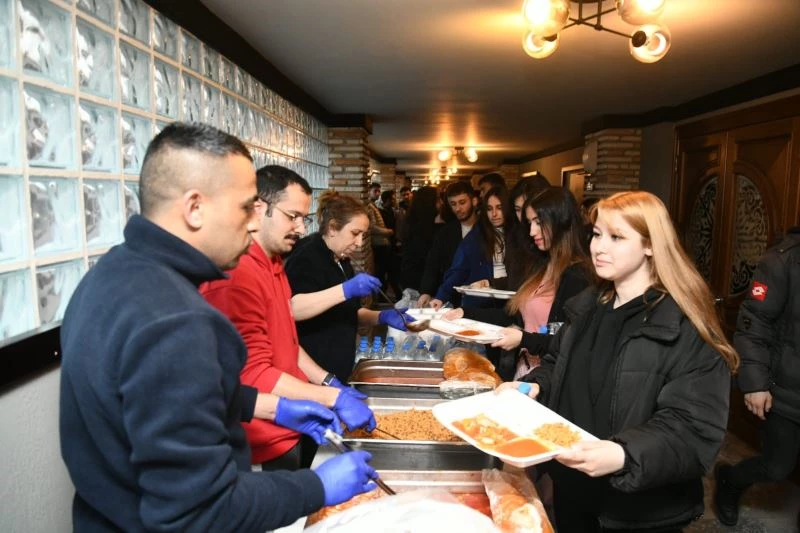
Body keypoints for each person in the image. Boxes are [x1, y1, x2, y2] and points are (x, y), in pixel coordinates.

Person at [59, 123, 377, 532]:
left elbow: (157, 395)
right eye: (246, 207)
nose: (252, 222)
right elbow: (199, 510)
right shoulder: (174, 320)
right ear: (195, 208)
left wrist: (269, 406)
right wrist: (314, 487)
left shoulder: (111, 274)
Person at [505, 190, 738, 532]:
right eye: (597, 234)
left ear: (649, 245)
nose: (599, 247)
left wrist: (623, 455)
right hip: (574, 490)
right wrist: (534, 385)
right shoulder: (585, 307)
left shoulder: (684, 325)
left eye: (617, 237)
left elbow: (693, 429)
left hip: (638, 510)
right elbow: (558, 364)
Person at [201, 165, 376, 471]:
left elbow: (287, 342)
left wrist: (327, 379)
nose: (301, 228)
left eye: (303, 219)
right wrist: (331, 396)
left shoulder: (275, 263)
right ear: (259, 209)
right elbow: (253, 372)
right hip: (255, 438)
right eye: (292, 216)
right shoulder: (239, 271)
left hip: (283, 432)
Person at [446, 187, 592, 381]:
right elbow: (512, 314)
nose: (532, 231)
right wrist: (465, 313)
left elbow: (570, 343)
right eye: (530, 223)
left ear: (560, 221)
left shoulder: (578, 276)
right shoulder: (541, 265)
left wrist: (523, 339)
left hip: (550, 380)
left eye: (539, 223)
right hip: (526, 372)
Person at [714, 225, 800, 527]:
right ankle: (729, 480)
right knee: (777, 466)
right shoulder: (782, 261)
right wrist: (755, 384)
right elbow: (754, 324)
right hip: (787, 389)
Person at [285, 192, 414, 381]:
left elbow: (348, 311)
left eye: (363, 235)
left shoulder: (341, 258)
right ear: (332, 228)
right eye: (355, 234)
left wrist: (382, 316)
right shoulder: (307, 256)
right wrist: (345, 290)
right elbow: (293, 308)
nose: (360, 243)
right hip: (312, 370)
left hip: (339, 364)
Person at [430, 186, 510, 310]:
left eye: (499, 208)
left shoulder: (520, 234)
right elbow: (458, 270)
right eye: (489, 209)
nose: (494, 214)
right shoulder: (476, 236)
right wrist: (441, 295)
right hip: (481, 304)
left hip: (513, 301)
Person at [417, 181, 479, 307]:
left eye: (462, 202)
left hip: (481, 297)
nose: (458, 208)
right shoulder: (445, 232)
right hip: (452, 296)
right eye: (453, 204)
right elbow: (433, 263)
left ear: (474, 201)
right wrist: (426, 292)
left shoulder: (486, 229)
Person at [505, 175, 551, 290]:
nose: (523, 216)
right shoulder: (514, 236)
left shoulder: (552, 241)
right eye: (518, 210)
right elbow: (514, 281)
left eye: (526, 209)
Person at [400, 186, 440, 292]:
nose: (441, 203)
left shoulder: (412, 221)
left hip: (413, 274)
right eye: (437, 199)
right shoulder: (424, 227)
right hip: (421, 277)